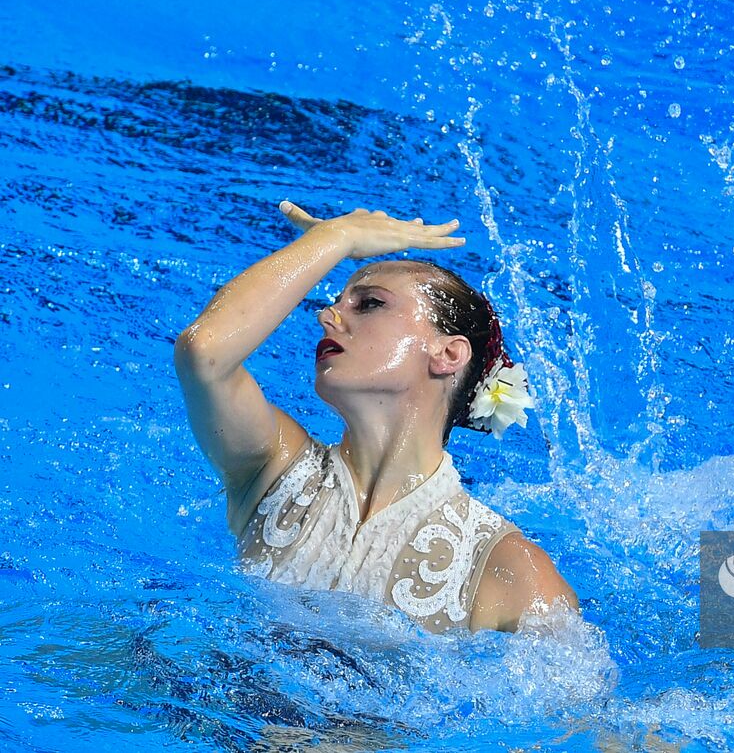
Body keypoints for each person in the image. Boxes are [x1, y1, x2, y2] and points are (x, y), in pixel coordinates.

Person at [174, 203, 578, 633]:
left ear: (448, 354)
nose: (327, 315)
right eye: (336, 302)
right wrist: (336, 238)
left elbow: (582, 700)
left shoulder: (507, 572)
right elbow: (205, 353)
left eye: (367, 304)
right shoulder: (272, 471)